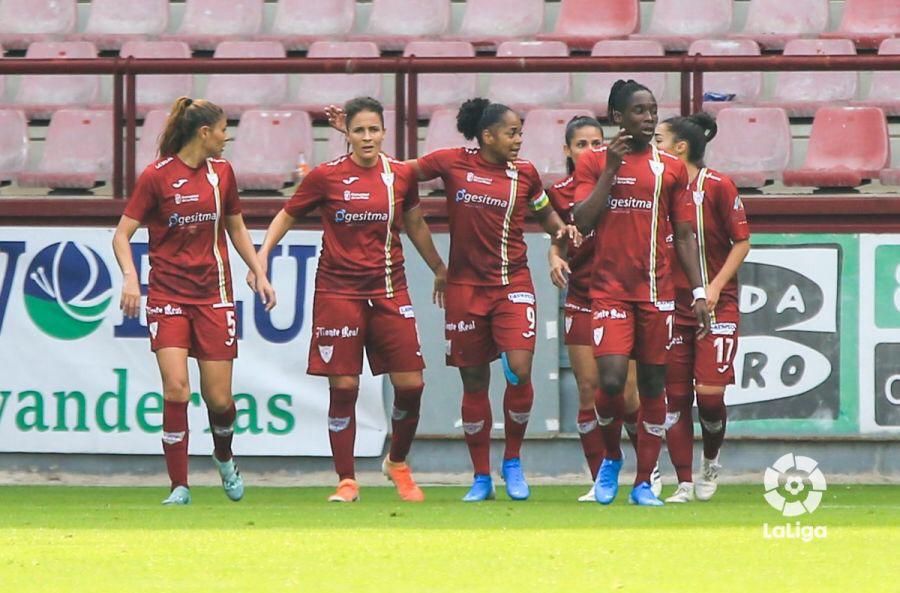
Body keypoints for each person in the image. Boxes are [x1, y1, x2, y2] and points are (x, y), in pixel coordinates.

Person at [327, 98, 577, 502]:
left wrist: (560, 238)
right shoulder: (451, 162)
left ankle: (512, 460)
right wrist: (353, 139)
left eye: (520, 134)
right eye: (512, 133)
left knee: (519, 369)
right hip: (464, 289)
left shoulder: (525, 175)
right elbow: (396, 171)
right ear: (488, 136)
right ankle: (481, 477)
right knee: (474, 381)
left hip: (512, 283)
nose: (518, 141)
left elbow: (549, 220)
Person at [253, 97, 446, 503]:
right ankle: (346, 479)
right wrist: (262, 256)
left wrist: (439, 269)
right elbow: (287, 214)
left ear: (383, 131)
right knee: (344, 385)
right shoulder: (325, 177)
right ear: (348, 134)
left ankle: (397, 462)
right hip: (338, 290)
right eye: (359, 130)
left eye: (373, 129)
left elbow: (414, 223)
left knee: (411, 384)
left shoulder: (398, 176)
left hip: (389, 288)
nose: (367, 137)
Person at [112, 96, 276, 506]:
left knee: (219, 400)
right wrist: (131, 278)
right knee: (177, 390)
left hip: (213, 296)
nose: (227, 138)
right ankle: (179, 485)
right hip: (167, 294)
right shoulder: (156, 176)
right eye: (223, 130)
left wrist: (258, 270)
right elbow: (121, 235)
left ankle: (223, 456)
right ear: (204, 134)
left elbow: (236, 227)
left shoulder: (223, 174)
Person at [573, 80, 711, 507]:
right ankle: (612, 457)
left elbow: (685, 234)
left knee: (654, 387)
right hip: (610, 293)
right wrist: (611, 171)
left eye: (652, 110)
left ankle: (643, 482)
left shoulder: (669, 167)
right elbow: (582, 219)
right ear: (617, 117)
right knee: (611, 382)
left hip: (657, 294)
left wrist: (701, 291)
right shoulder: (594, 161)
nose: (649, 117)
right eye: (639, 111)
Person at [547, 116, 657, 502]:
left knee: (627, 395)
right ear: (567, 151)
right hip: (582, 296)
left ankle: (648, 471)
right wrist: (554, 255)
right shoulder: (559, 192)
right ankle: (601, 479)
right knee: (588, 391)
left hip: (622, 294)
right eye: (581, 144)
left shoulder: (624, 179)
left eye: (598, 142)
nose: (592, 150)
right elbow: (558, 235)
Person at [654, 113, 750, 503]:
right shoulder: (656, 188)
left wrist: (713, 286)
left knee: (709, 397)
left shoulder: (718, 186)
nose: (653, 146)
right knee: (673, 399)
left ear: (681, 148)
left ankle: (711, 460)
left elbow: (741, 242)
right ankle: (684, 482)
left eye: (659, 140)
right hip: (671, 306)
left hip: (715, 304)